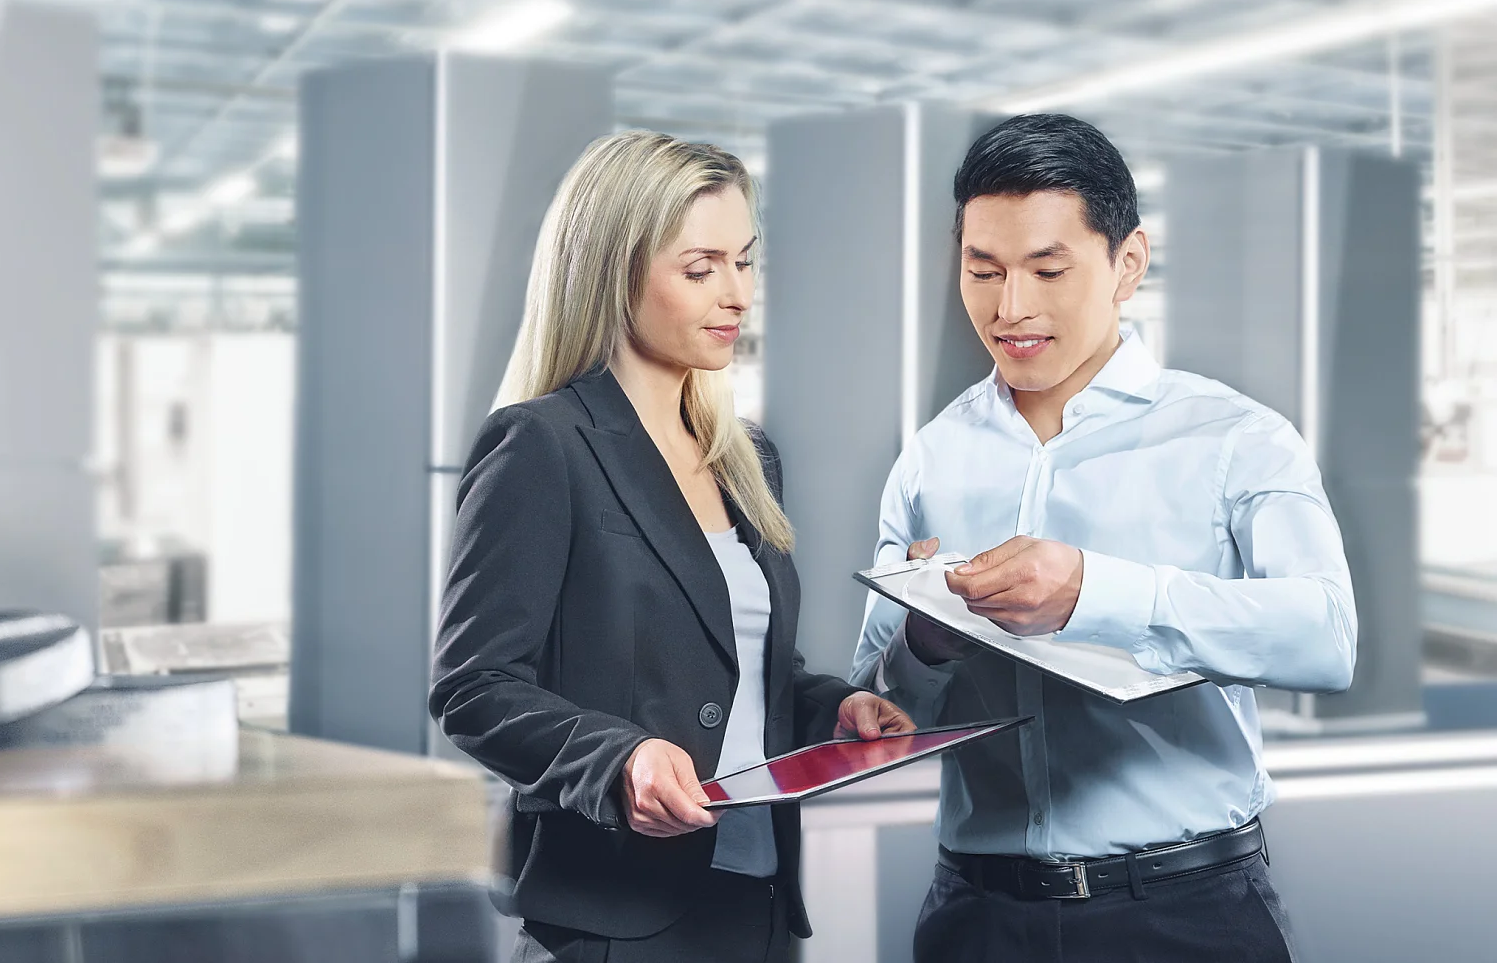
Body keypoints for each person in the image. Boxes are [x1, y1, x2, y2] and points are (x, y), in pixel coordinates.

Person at [852, 114, 1356, 963]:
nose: (1010, 307)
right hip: (975, 915)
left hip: (1182, 914)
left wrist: (1099, 592)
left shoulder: (1236, 436)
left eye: (1048, 269)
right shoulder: (931, 455)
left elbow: (1326, 635)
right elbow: (886, 703)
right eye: (983, 271)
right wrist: (926, 641)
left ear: (1128, 263)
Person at [430, 130, 913, 962]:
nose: (736, 294)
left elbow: (744, 667)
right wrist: (619, 759)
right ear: (615, 274)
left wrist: (831, 707)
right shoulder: (544, 445)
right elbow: (473, 686)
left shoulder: (747, 458)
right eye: (701, 269)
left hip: (755, 904)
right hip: (615, 916)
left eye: (745, 261)